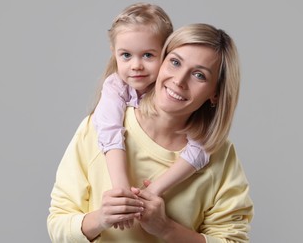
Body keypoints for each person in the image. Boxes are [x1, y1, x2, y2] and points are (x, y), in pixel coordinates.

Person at [48, 23, 254, 242]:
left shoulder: (221, 157)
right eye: (175, 62)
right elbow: (58, 225)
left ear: (215, 93)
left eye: (199, 75)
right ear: (161, 61)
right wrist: (101, 218)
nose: (179, 81)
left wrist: (166, 229)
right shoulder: (97, 127)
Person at [93, 2, 211, 226]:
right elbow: (109, 130)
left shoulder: (176, 93)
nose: (136, 65)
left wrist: (154, 190)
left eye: (148, 55)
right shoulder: (115, 87)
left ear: (166, 54)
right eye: (126, 55)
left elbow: (202, 147)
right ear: (114, 53)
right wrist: (122, 190)